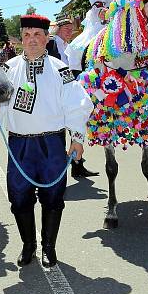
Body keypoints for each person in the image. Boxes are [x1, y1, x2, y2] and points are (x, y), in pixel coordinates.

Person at [0, 14, 93, 267]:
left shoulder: (61, 70)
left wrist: (77, 138)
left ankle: (49, 247)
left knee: (53, 196)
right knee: (19, 197)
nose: (32, 40)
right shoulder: (7, 70)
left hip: (52, 145)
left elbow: (78, 105)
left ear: (47, 38)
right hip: (19, 145)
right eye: (27, 35)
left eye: (37, 35)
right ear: (21, 40)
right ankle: (28, 246)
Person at [47, 17, 99, 178]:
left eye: (71, 29)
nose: (70, 32)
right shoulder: (50, 43)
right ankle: (52, 170)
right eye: (66, 29)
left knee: (76, 127)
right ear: (58, 29)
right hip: (54, 93)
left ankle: (77, 164)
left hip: (69, 92)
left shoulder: (69, 46)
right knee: (55, 132)